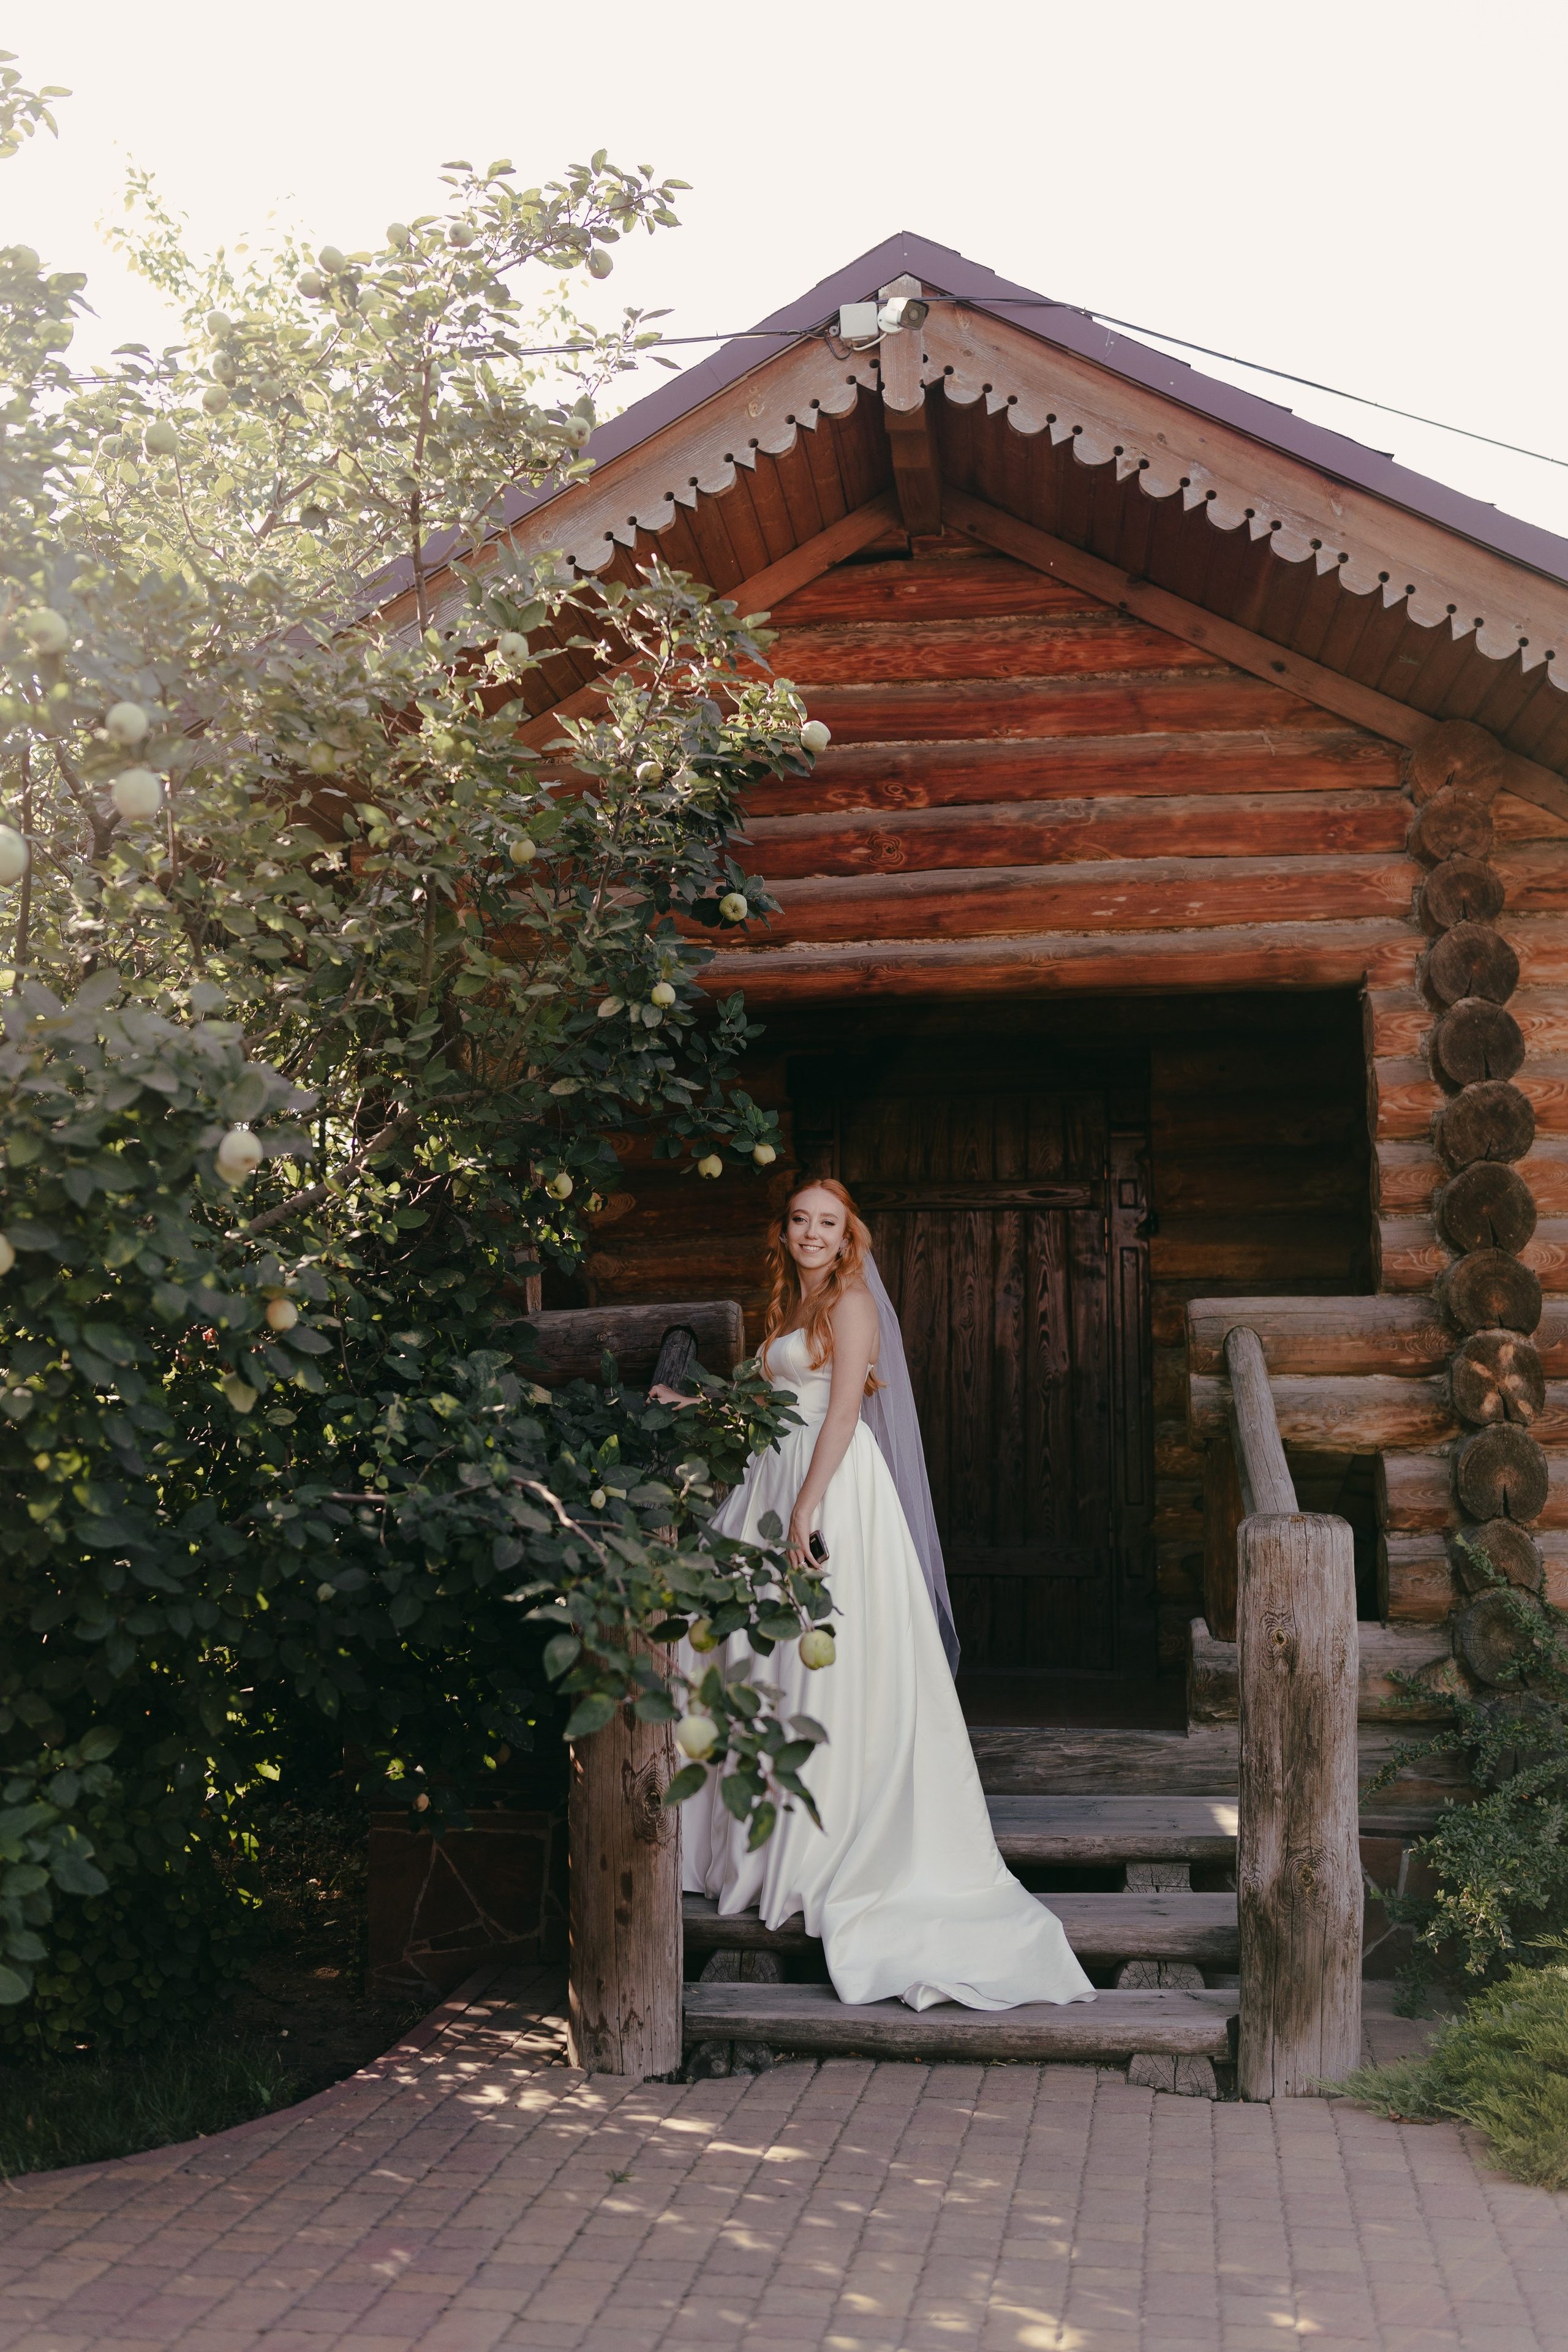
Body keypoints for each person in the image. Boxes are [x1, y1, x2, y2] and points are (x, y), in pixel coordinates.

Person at [654, 1177, 1093, 2015]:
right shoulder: (791, 1303)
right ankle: (755, 1845)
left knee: (823, 1662)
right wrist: (692, 1399)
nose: (812, 1234)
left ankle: (824, 1847)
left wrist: (806, 1510)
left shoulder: (851, 1303)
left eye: (827, 1223)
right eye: (800, 1221)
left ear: (847, 1234)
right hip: (772, 1479)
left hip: (831, 1490)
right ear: (785, 1231)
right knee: (742, 1652)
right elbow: (768, 1407)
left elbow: (843, 1414)